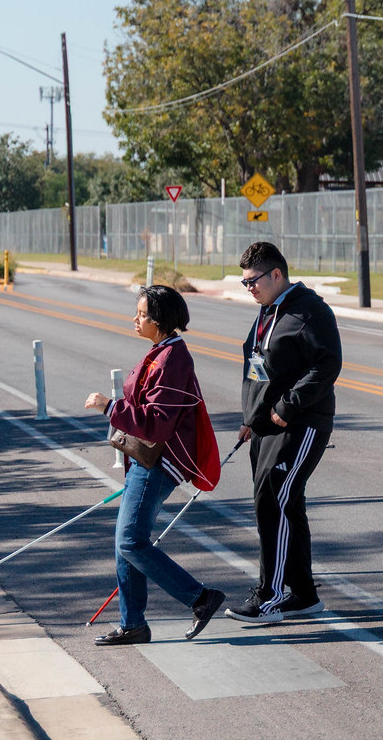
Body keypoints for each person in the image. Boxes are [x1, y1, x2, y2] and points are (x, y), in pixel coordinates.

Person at [84, 285, 225, 646]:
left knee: (130, 541)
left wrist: (110, 407)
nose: (136, 319)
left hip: (160, 463)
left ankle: (200, 598)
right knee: (126, 542)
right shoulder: (162, 352)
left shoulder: (172, 359)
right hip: (146, 461)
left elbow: (158, 422)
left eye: (143, 314)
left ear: (160, 320)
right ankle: (132, 624)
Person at [226, 241, 343, 624]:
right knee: (282, 503)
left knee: (273, 500)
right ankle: (303, 594)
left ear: (276, 274)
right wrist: (251, 416)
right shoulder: (268, 312)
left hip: (301, 423)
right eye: (244, 283)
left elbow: (327, 365)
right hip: (265, 426)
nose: (249, 289)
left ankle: (270, 596)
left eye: (253, 281)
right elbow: (258, 367)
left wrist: (286, 408)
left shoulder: (310, 311)